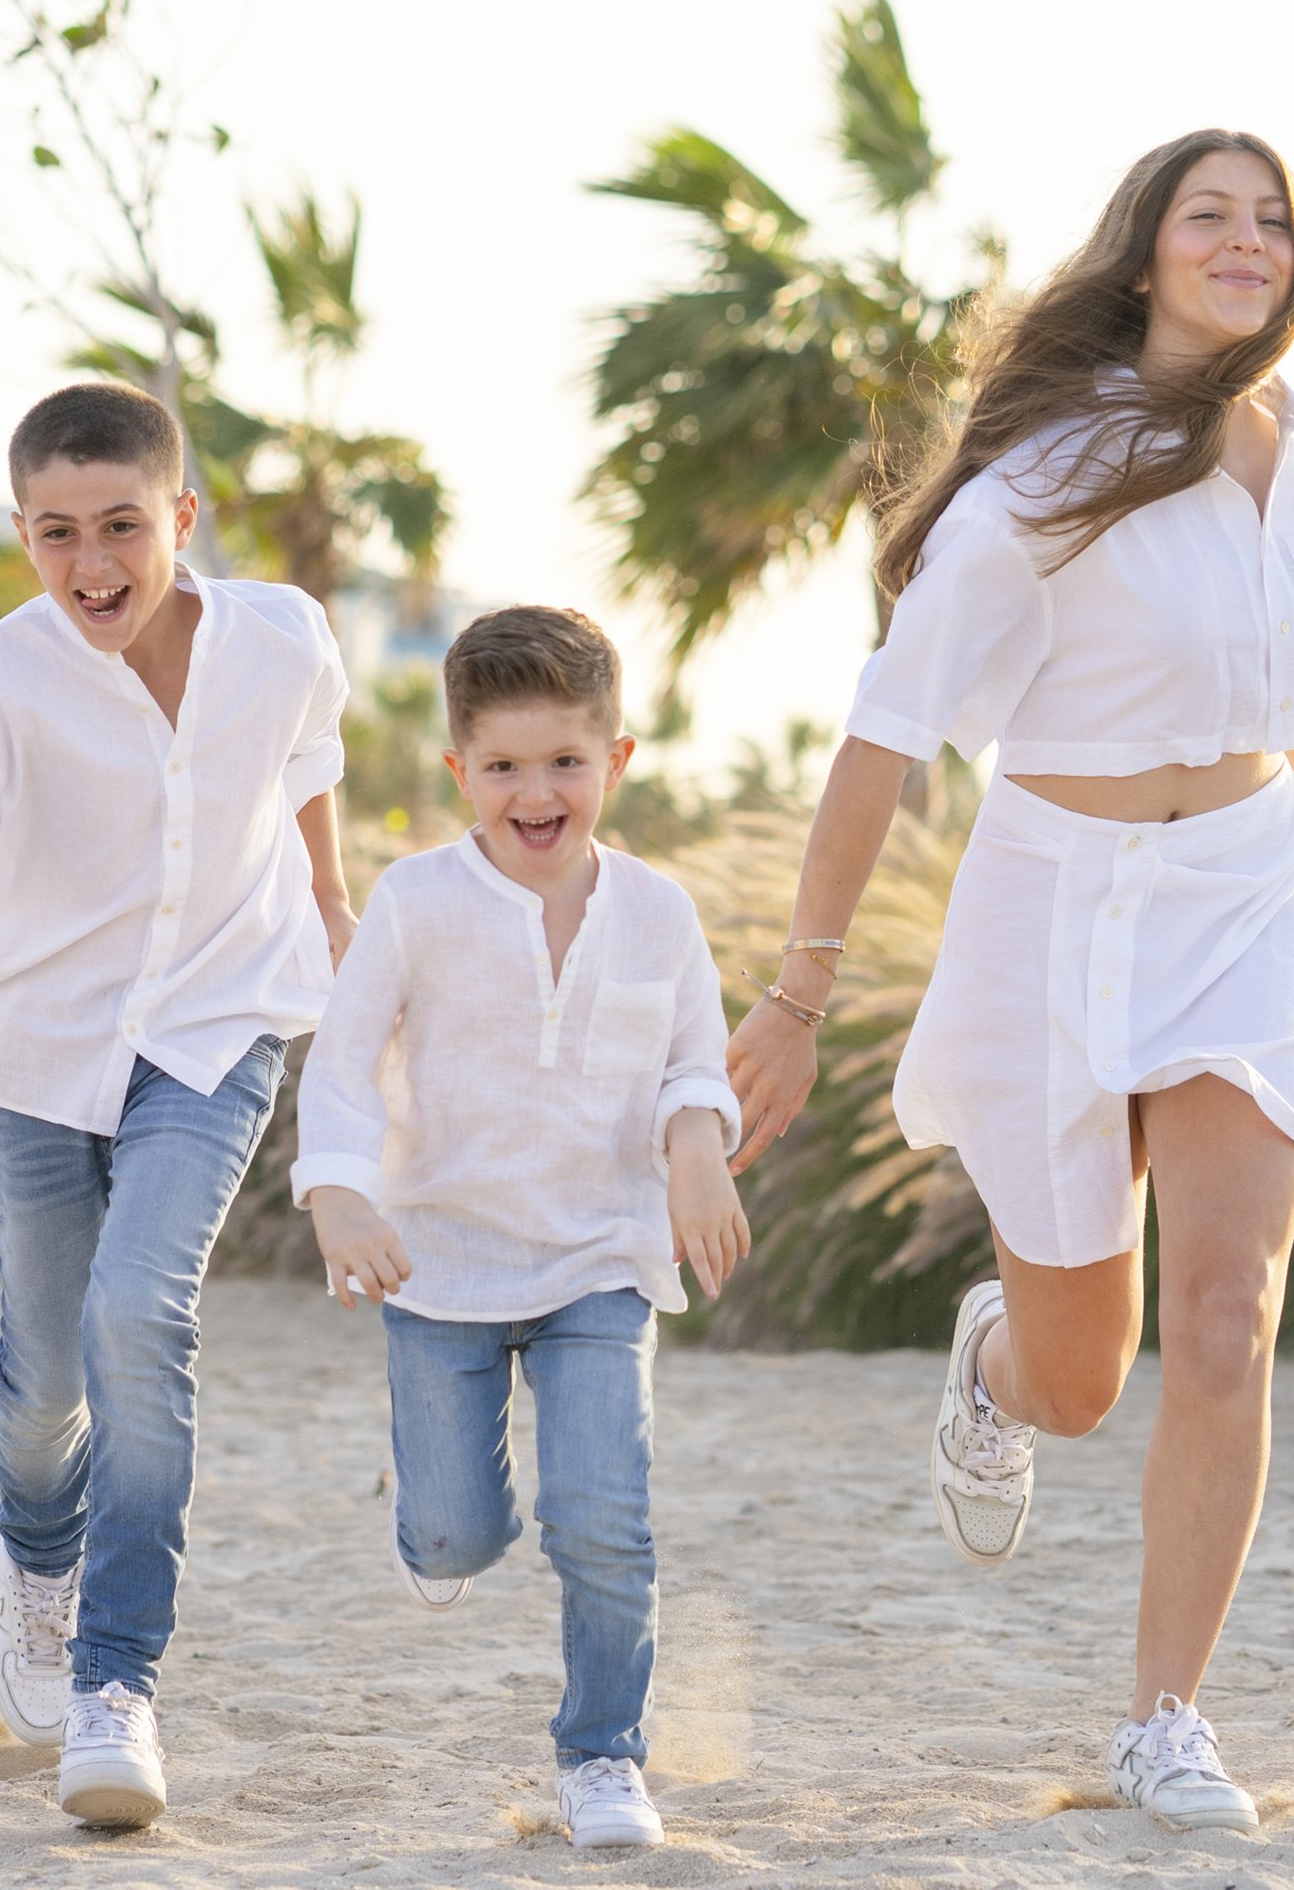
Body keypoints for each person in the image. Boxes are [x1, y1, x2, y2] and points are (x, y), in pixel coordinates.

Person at [722, 131, 1294, 1831]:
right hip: (1053, 910)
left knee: (1228, 1320)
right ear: (1144, 256)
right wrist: (795, 990)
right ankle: (996, 1364)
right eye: (1212, 213)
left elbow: (1271, 695)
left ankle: (1163, 1719)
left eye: (1275, 216)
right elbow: (887, 731)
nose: (1249, 238)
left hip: (1242, 900)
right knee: (1082, 1379)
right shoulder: (1048, 473)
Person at [0, 382, 355, 1829]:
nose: (92, 564)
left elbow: (310, 750)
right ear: (23, 537)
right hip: (44, 1058)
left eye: (122, 525)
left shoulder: (285, 638)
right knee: (47, 1380)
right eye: (57, 534)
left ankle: (118, 1684)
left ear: (183, 518)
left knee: (142, 1314)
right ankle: (34, 1569)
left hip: (219, 1028)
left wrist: (329, 898)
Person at [291, 607, 750, 1850]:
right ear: (458, 772)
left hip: (602, 1255)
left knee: (603, 1512)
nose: (534, 793)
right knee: (458, 1531)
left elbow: (691, 1059)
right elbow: (339, 1064)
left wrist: (698, 1149)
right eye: (501, 765)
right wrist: (339, 1187)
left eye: (563, 761)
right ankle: (426, 1523)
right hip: (437, 1260)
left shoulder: (658, 911)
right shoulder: (414, 899)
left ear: (618, 760)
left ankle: (602, 1754)